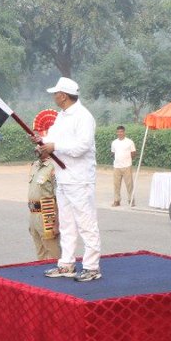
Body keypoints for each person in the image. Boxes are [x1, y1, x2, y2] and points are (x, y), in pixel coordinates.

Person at [39, 77, 102, 281]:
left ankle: (92, 266)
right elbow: (52, 140)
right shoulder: (62, 116)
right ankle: (66, 263)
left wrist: (54, 147)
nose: (54, 96)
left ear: (63, 96)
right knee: (66, 223)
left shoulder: (83, 116)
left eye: (56, 93)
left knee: (86, 223)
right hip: (64, 177)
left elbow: (82, 147)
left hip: (80, 178)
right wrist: (41, 142)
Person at [27, 111, 61, 261]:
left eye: (40, 145)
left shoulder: (54, 167)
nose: (37, 148)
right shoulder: (35, 165)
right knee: (39, 252)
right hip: (33, 212)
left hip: (47, 212)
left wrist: (57, 223)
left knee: (53, 251)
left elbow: (59, 197)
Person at [110, 125, 137, 207]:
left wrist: (127, 159)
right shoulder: (114, 142)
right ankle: (116, 201)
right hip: (117, 166)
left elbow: (133, 153)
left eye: (121, 132)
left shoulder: (129, 142)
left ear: (124, 132)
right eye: (118, 132)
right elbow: (113, 153)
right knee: (116, 185)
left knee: (129, 185)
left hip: (127, 166)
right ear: (116, 132)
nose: (120, 133)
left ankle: (131, 200)